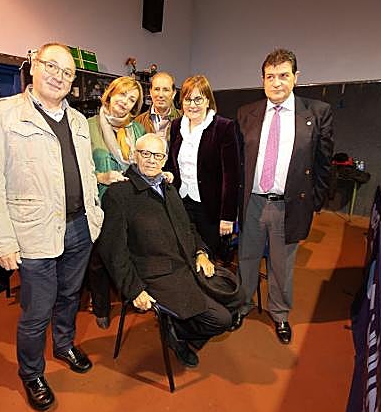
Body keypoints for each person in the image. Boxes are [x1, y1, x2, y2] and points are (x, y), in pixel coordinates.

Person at [0, 42, 103, 411]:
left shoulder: (78, 121)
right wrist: (1, 241)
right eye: (51, 66)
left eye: (67, 72)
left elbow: (87, 171)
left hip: (79, 227)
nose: (58, 76)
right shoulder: (2, 113)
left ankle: (63, 345)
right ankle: (31, 373)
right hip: (33, 232)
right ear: (33, 66)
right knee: (36, 311)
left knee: (70, 297)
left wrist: (94, 213)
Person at [98, 134, 243, 368]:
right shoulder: (119, 195)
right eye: (145, 154)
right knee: (222, 319)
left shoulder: (168, 188)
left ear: (164, 160)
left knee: (236, 300)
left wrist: (201, 252)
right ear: (135, 156)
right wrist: (134, 289)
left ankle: (178, 329)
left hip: (186, 263)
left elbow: (188, 227)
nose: (151, 160)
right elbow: (113, 250)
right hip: (156, 275)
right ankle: (177, 334)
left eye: (157, 155)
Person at [235, 48, 334, 344]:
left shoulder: (316, 113)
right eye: (270, 76)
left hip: (288, 205)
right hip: (252, 202)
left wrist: (314, 203)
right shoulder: (246, 113)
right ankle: (242, 305)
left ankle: (279, 314)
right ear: (262, 79)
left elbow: (324, 163)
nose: (276, 82)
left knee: (282, 265)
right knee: (246, 258)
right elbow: (238, 161)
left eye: (283, 75)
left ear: (295, 77)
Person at [86, 76, 146, 329]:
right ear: (110, 94)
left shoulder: (137, 130)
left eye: (132, 99)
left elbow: (143, 166)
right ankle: (101, 307)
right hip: (100, 204)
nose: (125, 102)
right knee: (99, 260)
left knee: (128, 255)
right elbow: (77, 170)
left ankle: (131, 294)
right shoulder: (87, 126)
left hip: (130, 205)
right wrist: (101, 177)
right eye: (122, 94)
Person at [165, 75, 240, 260]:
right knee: (183, 254)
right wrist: (169, 174)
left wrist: (227, 216)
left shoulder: (224, 127)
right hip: (181, 203)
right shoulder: (176, 126)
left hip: (210, 208)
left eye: (198, 99)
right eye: (187, 99)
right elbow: (172, 164)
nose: (192, 105)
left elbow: (231, 176)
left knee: (206, 257)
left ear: (208, 100)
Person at [135, 71, 182, 141]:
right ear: (150, 92)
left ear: (174, 93)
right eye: (157, 89)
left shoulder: (184, 120)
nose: (160, 95)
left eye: (166, 90)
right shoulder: (138, 122)